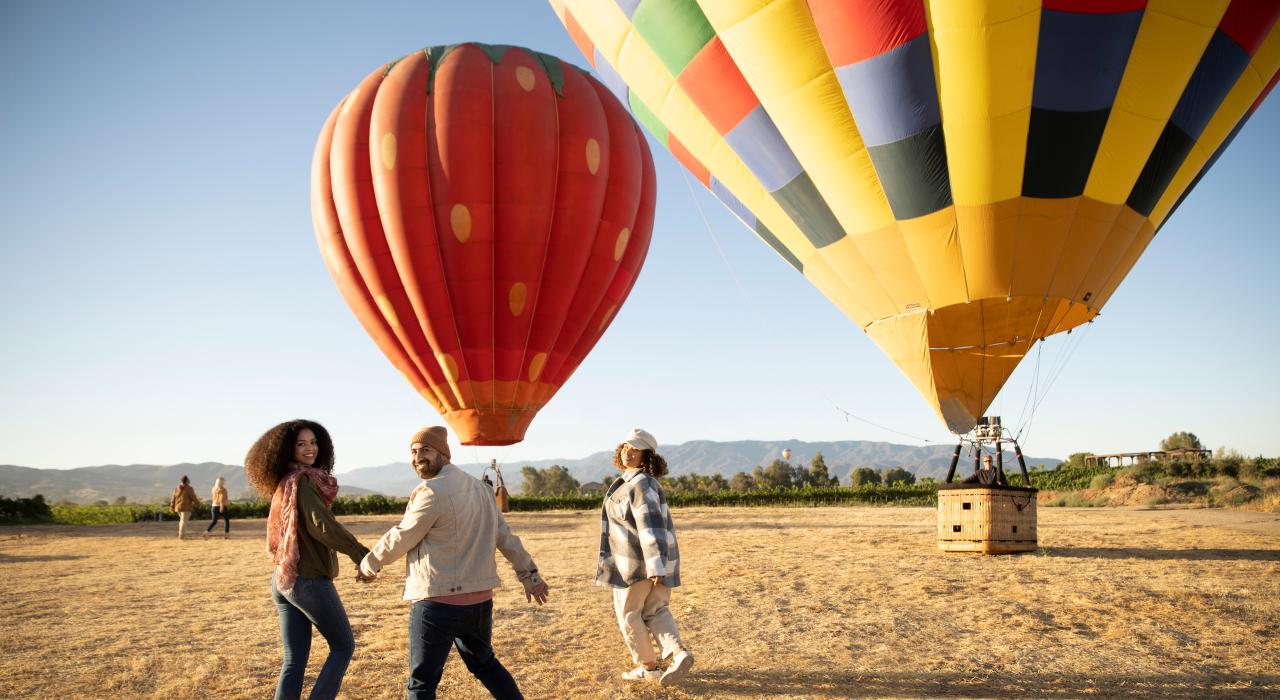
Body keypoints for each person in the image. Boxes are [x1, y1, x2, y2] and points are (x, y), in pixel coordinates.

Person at [356, 426, 549, 700]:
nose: (418, 457)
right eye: (413, 451)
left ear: (443, 454)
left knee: (422, 683)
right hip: (479, 601)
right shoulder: (482, 489)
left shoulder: (431, 491)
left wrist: (369, 564)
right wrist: (529, 575)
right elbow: (506, 537)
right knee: (485, 665)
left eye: (425, 450)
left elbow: (402, 536)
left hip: (437, 602)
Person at [244, 419, 370, 700]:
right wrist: (361, 554)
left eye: (313, 442)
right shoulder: (303, 481)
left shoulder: (286, 480)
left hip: (283, 579)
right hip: (308, 581)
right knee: (343, 647)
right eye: (301, 444)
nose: (309, 448)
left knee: (294, 660)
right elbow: (322, 525)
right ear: (287, 450)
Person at [597, 428, 693, 686]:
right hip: (652, 562)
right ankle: (678, 654)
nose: (628, 452)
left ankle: (648, 668)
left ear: (646, 456)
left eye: (636, 449)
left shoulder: (640, 484)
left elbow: (649, 525)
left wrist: (654, 564)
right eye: (626, 447)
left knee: (629, 614)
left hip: (636, 563)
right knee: (656, 610)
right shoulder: (636, 482)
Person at [169, 475, 199, 540]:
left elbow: (173, 497)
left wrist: (172, 506)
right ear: (186, 481)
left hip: (178, 507)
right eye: (188, 479)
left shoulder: (177, 488)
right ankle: (181, 536)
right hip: (186, 507)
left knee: (182, 521)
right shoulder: (189, 488)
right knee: (183, 522)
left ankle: (181, 535)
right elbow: (193, 497)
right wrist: (197, 503)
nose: (189, 480)